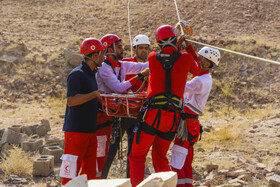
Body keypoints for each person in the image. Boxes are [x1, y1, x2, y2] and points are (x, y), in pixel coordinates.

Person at [128, 25, 201, 186]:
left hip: (152, 115)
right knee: (160, 158)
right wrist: (187, 46)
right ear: (175, 40)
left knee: (137, 156)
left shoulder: (153, 57)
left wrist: (177, 46)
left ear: (158, 42)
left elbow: (168, 57)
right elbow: (197, 70)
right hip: (173, 118)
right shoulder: (186, 58)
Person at [95, 34, 149, 178]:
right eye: (119, 47)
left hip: (121, 112)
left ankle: (130, 181)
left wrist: (163, 57)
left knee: (132, 151)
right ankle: (100, 180)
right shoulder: (104, 68)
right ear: (110, 49)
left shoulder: (121, 65)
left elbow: (143, 66)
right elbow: (118, 88)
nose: (122, 50)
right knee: (108, 152)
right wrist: (138, 77)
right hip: (105, 115)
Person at [170, 40, 221, 187]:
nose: (196, 61)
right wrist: (187, 46)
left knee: (178, 159)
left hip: (186, 125)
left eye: (199, 59)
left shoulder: (200, 81)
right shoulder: (204, 77)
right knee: (185, 160)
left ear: (206, 64)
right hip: (190, 124)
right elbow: (195, 66)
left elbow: (180, 86)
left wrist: (177, 52)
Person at [59, 38, 104, 185]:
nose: (104, 57)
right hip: (76, 132)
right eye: (102, 54)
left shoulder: (92, 74)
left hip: (90, 131)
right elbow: (71, 101)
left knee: (91, 174)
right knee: (70, 173)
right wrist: (93, 95)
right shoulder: (77, 74)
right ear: (95, 56)